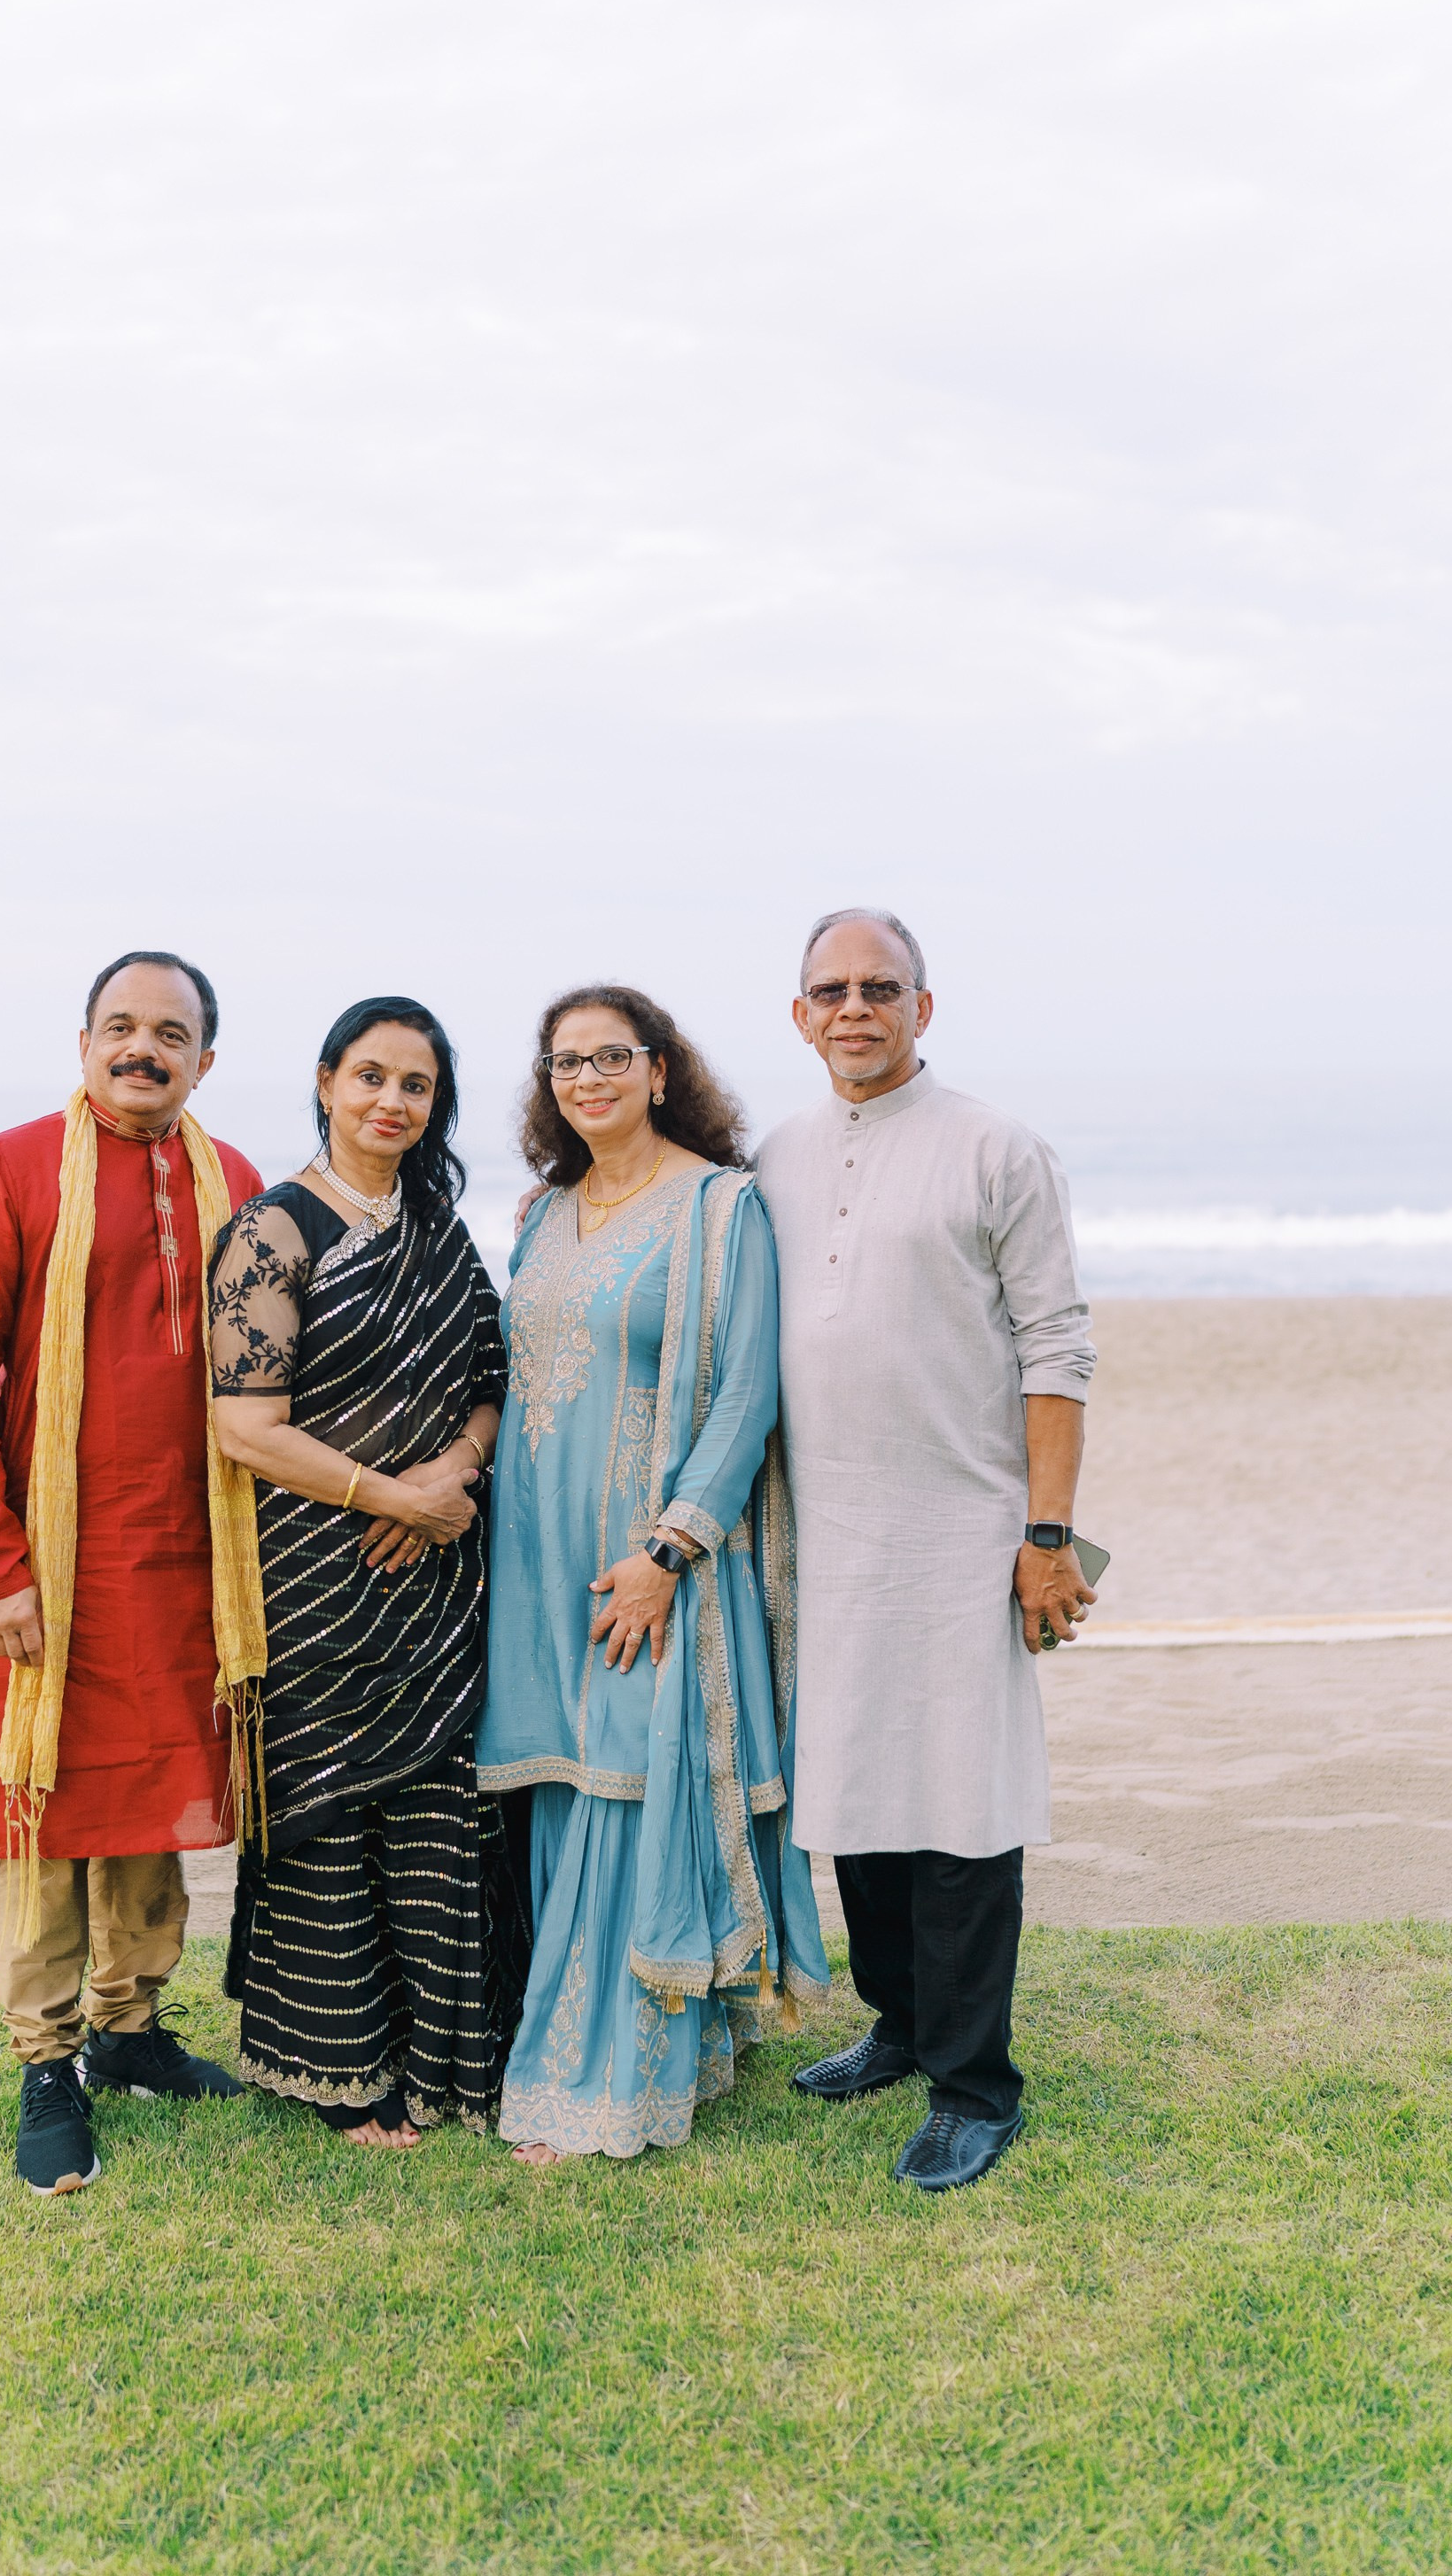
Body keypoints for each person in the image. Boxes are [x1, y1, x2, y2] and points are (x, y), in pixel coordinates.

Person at [756, 907, 1097, 2193]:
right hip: (821, 1532)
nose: (855, 1008)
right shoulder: (778, 1155)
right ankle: (898, 2025)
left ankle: (973, 2084)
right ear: (800, 1016)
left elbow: (1059, 1348)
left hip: (960, 1532)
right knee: (852, 1794)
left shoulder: (997, 1148)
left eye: (879, 987)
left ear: (922, 1007)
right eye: (830, 990)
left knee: (959, 1801)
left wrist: (1047, 1539)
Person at [0, 951, 266, 2199]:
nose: (143, 1049)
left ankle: (129, 2027)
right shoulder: (6, 1170)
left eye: (170, 1033)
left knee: (158, 1802)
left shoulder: (238, 1184)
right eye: (121, 1026)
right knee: (48, 1809)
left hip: (192, 1564)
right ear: (82, 1042)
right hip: (53, 1568)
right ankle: (47, 2060)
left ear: (204, 1062)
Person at [478, 985, 827, 2165]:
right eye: (567, 1062)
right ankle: (700, 2046)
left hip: (649, 1565)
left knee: (635, 1788)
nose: (589, 1079)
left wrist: (670, 1550)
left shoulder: (723, 1210)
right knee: (570, 1790)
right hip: (537, 1564)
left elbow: (745, 1397)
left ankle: (601, 2081)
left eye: (612, 1057)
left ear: (662, 1070)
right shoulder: (540, 1214)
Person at [207, 997, 510, 2148]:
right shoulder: (274, 1232)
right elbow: (246, 1426)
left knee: (439, 1811)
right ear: (329, 1081)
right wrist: (391, 1498)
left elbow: (493, 1374)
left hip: (440, 1576)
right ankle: (342, 2073)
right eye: (372, 1076)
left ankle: (444, 2063)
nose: (392, 1100)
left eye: (416, 1086)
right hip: (318, 1576)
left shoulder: (439, 1229)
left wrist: (452, 1474)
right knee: (332, 1814)